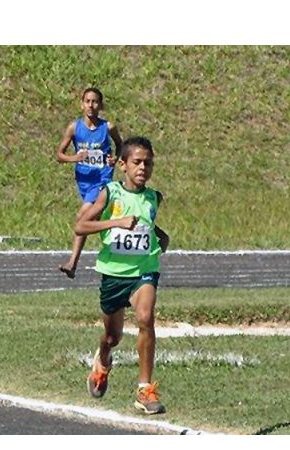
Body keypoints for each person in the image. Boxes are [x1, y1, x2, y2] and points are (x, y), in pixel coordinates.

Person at [74, 136, 170, 415]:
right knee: (112, 336)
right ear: (123, 165)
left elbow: (147, 223)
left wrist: (160, 236)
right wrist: (116, 222)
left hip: (144, 269)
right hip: (113, 273)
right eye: (137, 162)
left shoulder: (154, 198)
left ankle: (145, 389)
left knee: (145, 318)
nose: (143, 168)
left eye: (148, 163)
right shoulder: (110, 193)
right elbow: (81, 226)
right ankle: (102, 360)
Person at [56, 87, 122, 279]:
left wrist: (115, 159)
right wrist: (75, 158)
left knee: (82, 217)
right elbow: (59, 155)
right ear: (81, 104)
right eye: (87, 101)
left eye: (95, 102)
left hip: (102, 178)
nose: (91, 105)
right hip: (84, 181)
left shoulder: (107, 127)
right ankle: (113, 232)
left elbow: (121, 146)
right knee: (88, 220)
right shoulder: (74, 128)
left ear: (100, 105)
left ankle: (72, 263)